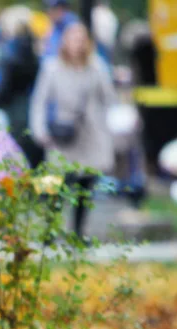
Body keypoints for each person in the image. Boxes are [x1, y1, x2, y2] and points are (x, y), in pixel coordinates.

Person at [30, 22, 116, 237]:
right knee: (55, 183)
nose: (77, 44)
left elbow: (109, 98)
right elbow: (40, 101)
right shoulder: (52, 67)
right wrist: (39, 130)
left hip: (89, 134)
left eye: (81, 39)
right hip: (62, 133)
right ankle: (49, 229)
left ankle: (78, 232)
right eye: (73, 39)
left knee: (85, 185)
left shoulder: (96, 66)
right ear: (65, 42)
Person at [0, 5, 44, 168]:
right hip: (30, 109)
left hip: (17, 112)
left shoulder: (12, 53)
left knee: (24, 159)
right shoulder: (35, 50)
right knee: (37, 161)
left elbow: (6, 87)